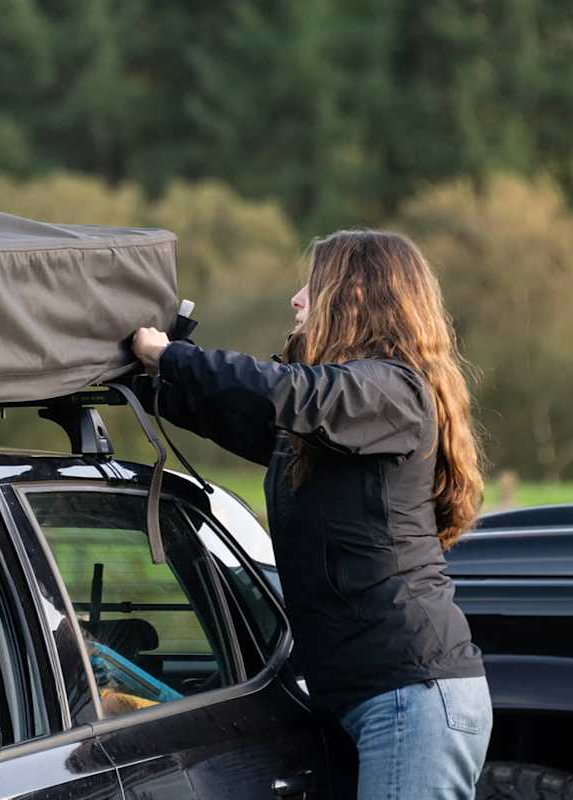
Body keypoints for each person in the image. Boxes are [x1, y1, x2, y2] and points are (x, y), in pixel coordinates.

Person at [131, 230, 492, 800]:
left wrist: (174, 355)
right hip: (368, 695)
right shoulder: (339, 420)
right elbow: (241, 413)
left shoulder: (391, 392)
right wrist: (152, 377)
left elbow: (284, 392)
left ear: (355, 297)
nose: (297, 299)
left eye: (312, 286)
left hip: (408, 693)